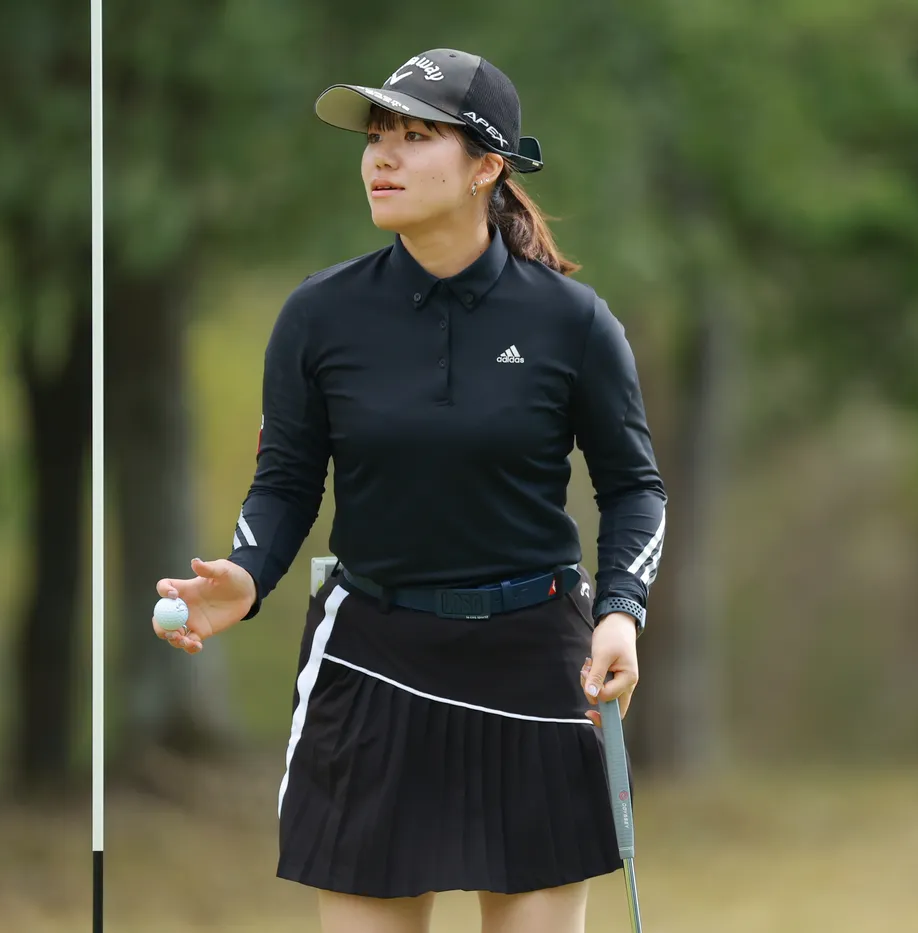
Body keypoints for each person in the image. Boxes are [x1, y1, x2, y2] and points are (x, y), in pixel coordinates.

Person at [152, 47, 667, 933]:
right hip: (371, 660)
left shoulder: (571, 320)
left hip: (536, 665)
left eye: (417, 137)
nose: (382, 157)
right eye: (376, 137)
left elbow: (635, 489)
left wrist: (620, 610)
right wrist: (247, 572)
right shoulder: (319, 315)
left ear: (487, 167)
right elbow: (285, 482)